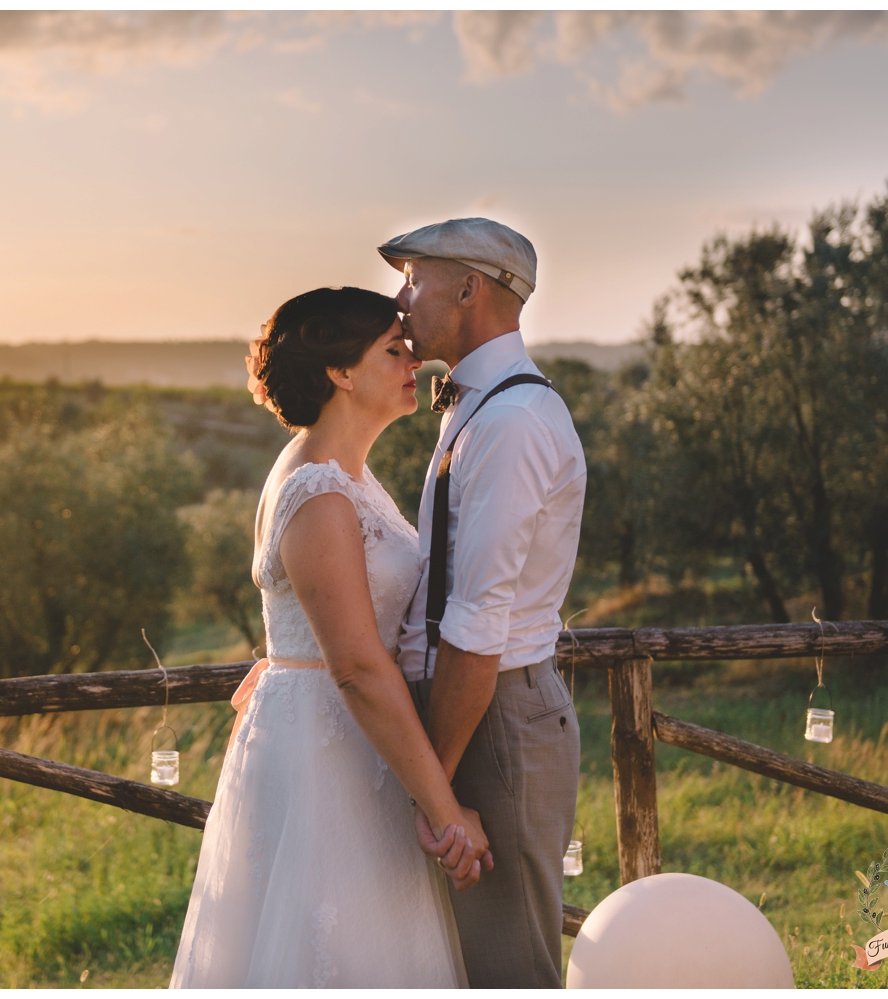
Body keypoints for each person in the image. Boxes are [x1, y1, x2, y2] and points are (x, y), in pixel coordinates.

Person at [170, 286, 491, 988]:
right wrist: (444, 812)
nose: (415, 361)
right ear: (341, 372)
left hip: (351, 736)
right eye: (392, 349)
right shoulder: (317, 489)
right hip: (330, 750)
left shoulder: (348, 475)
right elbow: (353, 665)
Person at [383, 218, 586, 988]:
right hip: (471, 710)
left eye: (414, 278)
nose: (400, 299)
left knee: (506, 965)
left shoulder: (509, 421)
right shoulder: (478, 405)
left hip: (492, 716)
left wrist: (436, 790)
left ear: (468, 287)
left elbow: (474, 629)